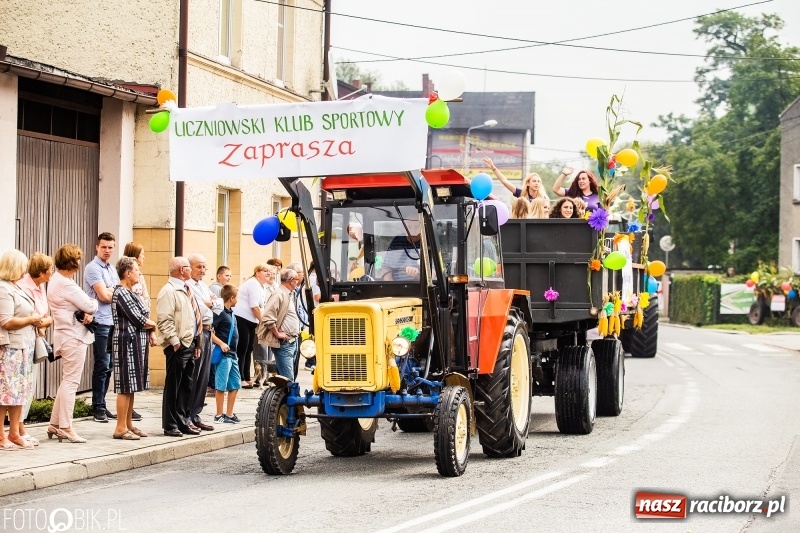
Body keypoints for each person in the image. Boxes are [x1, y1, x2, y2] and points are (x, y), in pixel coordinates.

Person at [47, 245, 98, 444]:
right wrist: (90, 307)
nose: (79, 262)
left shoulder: (55, 280)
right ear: (72, 262)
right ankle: (66, 427)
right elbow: (90, 304)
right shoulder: (66, 284)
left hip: (64, 334)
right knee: (71, 382)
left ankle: (54, 423)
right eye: (77, 259)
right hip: (73, 336)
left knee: (66, 381)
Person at [111, 257, 157, 440]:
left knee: (131, 386)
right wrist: (153, 324)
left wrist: (150, 326)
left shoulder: (131, 292)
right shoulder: (120, 292)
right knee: (124, 385)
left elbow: (144, 313)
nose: (139, 273)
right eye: (136, 270)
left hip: (136, 342)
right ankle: (120, 427)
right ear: (128, 273)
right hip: (126, 342)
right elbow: (138, 318)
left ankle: (128, 424)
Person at [0, 250, 42, 450]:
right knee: (5, 393)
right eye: (23, 266)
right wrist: (31, 319)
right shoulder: (3, 288)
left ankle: (15, 432)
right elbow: (6, 321)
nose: (26, 270)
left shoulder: (16, 287)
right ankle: (1, 436)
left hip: (24, 347)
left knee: (20, 392)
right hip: (10, 349)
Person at [156, 257, 202, 438]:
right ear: (182, 270)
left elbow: (194, 318)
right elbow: (164, 319)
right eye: (189, 267)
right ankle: (170, 424)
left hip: (189, 342)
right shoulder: (168, 291)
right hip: (178, 344)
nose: (191, 270)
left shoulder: (187, 288)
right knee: (174, 386)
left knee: (187, 385)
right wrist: (175, 341)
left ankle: (183, 421)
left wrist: (197, 343)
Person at [17, 253, 54, 446]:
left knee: (29, 385)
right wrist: (41, 321)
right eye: (49, 270)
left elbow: (46, 316)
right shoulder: (24, 287)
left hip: (35, 340)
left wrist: (44, 321)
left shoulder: (41, 288)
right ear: (42, 272)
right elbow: (32, 316)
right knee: (21, 386)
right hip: (23, 342)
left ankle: (20, 426)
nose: (51, 273)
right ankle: (19, 428)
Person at [83, 232, 120, 423]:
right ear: (97, 247)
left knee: (110, 367)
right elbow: (105, 296)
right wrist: (111, 291)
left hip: (113, 322)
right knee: (102, 365)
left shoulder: (112, 269)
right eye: (104, 247)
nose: (107, 250)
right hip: (100, 323)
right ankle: (97, 406)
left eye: (110, 247)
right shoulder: (92, 268)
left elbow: (116, 292)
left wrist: (111, 291)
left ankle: (103, 404)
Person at [185, 253, 221, 430]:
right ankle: (187, 414)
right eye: (199, 266)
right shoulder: (188, 286)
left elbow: (219, 305)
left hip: (208, 330)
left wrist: (211, 303)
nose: (203, 270)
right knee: (195, 374)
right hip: (198, 332)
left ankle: (196, 413)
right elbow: (198, 307)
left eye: (204, 267)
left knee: (204, 377)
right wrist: (210, 303)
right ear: (189, 267)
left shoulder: (204, 286)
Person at [259, 269, 301, 381]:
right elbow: (267, 317)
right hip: (284, 344)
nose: (298, 282)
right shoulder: (279, 294)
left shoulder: (289, 294)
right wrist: (277, 333)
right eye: (296, 279)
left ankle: (286, 397)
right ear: (291, 281)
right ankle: (285, 398)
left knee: (290, 377)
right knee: (288, 379)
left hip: (292, 341)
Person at [233, 264, 271, 389]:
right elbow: (254, 306)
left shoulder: (261, 286)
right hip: (242, 318)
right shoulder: (253, 284)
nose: (268, 273)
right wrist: (263, 322)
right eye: (265, 271)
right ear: (257, 272)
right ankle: (240, 378)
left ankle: (247, 377)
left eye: (269, 271)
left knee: (248, 349)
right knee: (242, 349)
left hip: (250, 320)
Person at [212, 284, 241, 423]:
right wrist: (221, 343)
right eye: (237, 297)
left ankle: (229, 414)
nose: (238, 300)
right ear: (232, 298)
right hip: (224, 354)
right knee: (221, 386)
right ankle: (219, 415)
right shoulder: (219, 313)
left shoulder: (231, 313)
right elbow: (209, 332)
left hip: (233, 354)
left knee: (235, 384)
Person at [252, 266, 276, 388]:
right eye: (269, 273)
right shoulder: (262, 287)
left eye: (274, 273)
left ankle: (266, 377)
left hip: (272, 323)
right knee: (261, 350)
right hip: (262, 323)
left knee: (269, 352)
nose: (272, 275)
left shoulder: (275, 287)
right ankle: (259, 377)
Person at [483, 157, 550, 202]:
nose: (537, 183)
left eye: (539, 181)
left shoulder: (542, 198)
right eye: (534, 181)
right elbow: (505, 181)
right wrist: (493, 167)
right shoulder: (521, 194)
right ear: (528, 183)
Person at [122, 242, 150, 309]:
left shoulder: (140, 275)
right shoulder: (123, 274)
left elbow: (147, 298)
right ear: (136, 255)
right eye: (142, 254)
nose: (144, 257)